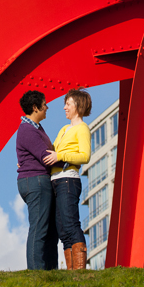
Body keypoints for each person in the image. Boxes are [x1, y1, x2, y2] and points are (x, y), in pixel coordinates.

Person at [16, 90, 59, 270]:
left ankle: (49, 270)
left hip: (37, 180)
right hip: (36, 181)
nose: (47, 107)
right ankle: (36, 271)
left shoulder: (35, 128)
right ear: (35, 107)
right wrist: (69, 157)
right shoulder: (27, 130)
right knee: (40, 227)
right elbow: (45, 156)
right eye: (44, 104)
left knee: (50, 230)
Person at [50, 88, 92, 270]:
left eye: (68, 104)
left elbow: (85, 156)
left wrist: (61, 155)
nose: (65, 107)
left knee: (70, 223)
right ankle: (71, 271)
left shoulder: (82, 129)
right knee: (62, 228)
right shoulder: (64, 129)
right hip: (56, 180)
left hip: (68, 180)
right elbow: (52, 152)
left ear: (78, 106)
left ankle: (80, 270)